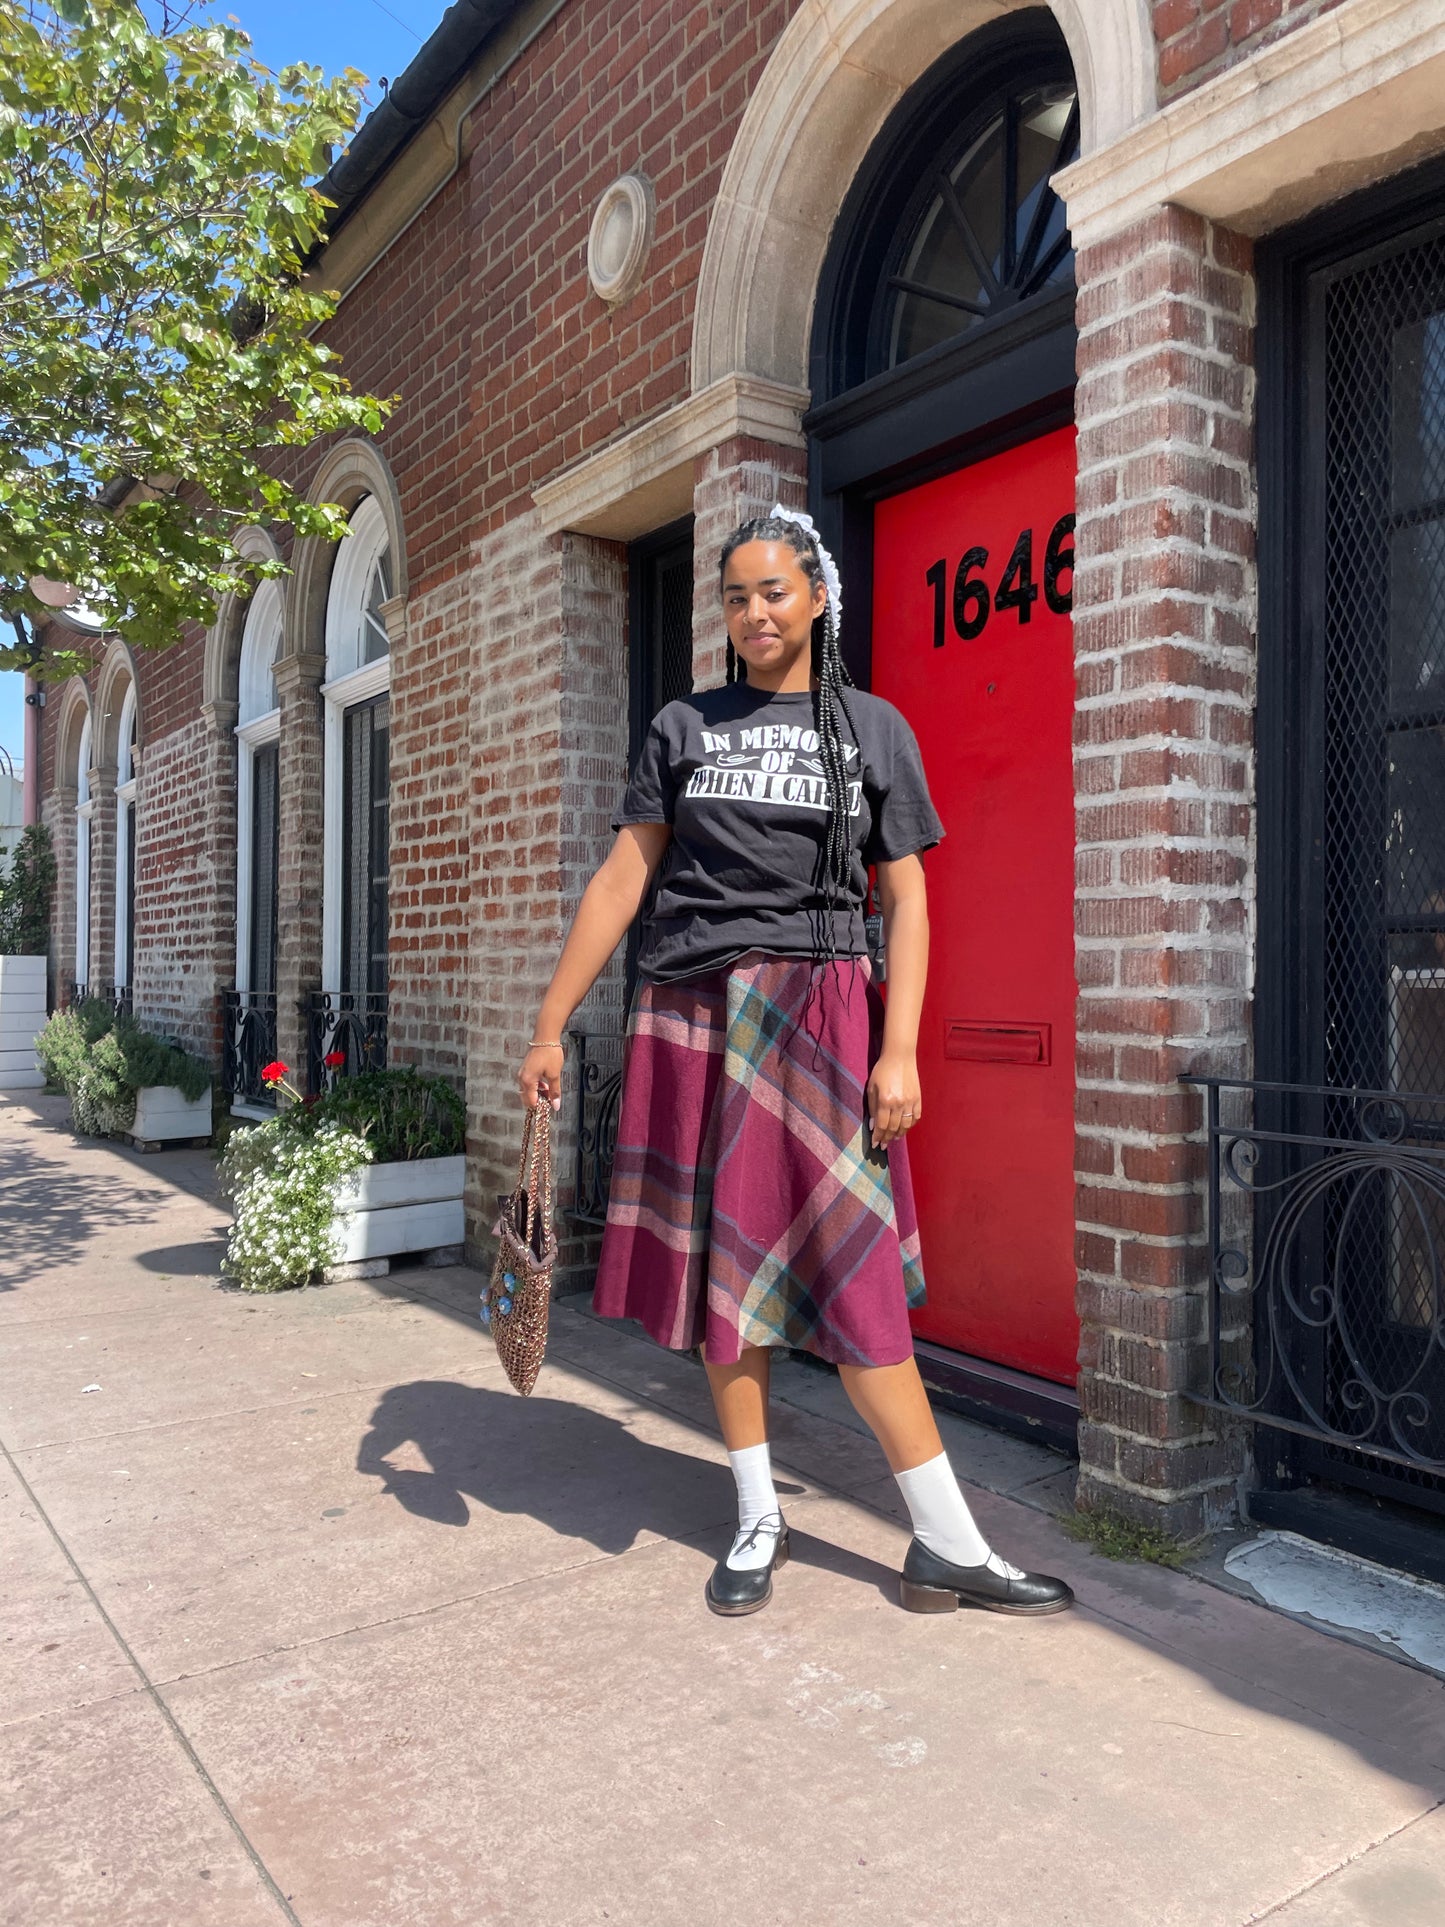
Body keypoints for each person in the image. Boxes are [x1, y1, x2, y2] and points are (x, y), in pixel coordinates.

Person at [519, 506, 1072, 1621]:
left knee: (857, 1281)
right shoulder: (684, 725)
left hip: (819, 1013)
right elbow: (623, 879)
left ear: (816, 597)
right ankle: (756, 1512)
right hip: (690, 1012)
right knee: (733, 1282)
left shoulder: (870, 727)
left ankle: (946, 1540)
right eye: (734, 596)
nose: (753, 612)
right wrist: (548, 1021)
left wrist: (900, 1046)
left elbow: (906, 897)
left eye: (772, 591)